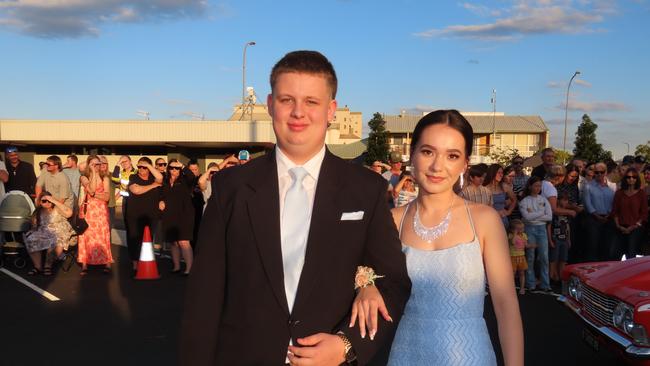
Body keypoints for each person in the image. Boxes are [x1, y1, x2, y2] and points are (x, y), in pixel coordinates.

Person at [180, 50, 411, 366]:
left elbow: (393, 281)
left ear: (330, 111)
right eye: (287, 100)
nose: (298, 113)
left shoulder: (366, 189)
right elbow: (204, 296)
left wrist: (347, 345)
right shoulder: (230, 187)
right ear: (270, 104)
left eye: (312, 102)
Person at [351, 110, 523, 366]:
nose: (437, 166)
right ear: (412, 155)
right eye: (428, 152)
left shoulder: (484, 220)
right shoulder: (391, 220)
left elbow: (506, 305)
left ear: (465, 163)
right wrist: (365, 284)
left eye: (452, 155)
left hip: (470, 356)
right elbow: (355, 263)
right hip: (406, 354)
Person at [24, 191, 75, 276]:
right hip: (44, 231)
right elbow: (34, 225)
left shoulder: (57, 208)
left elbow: (69, 213)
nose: (47, 203)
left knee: (54, 241)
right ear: (40, 202)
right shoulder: (38, 212)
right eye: (44, 201)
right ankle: (37, 266)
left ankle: (48, 266)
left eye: (49, 201)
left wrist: (54, 200)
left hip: (59, 231)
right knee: (31, 239)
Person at [126, 157, 163, 272]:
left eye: (144, 167)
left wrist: (149, 165)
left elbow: (160, 177)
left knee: (147, 240)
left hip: (151, 215)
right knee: (134, 239)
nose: (141, 169)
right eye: (139, 167)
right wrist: (153, 186)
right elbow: (136, 190)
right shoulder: (134, 177)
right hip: (134, 216)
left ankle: (146, 262)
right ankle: (135, 264)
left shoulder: (154, 178)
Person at [77, 155, 112, 275]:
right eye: (93, 164)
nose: (96, 166)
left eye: (98, 164)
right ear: (88, 165)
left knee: (103, 235)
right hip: (88, 210)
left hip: (101, 210)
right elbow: (91, 189)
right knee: (87, 236)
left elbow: (107, 197)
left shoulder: (105, 178)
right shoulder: (84, 177)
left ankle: (106, 261)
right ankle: (85, 263)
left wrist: (93, 194)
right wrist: (92, 173)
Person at [159, 159, 194, 275]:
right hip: (169, 214)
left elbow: (192, 177)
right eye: (171, 168)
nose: (174, 170)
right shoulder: (165, 180)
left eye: (176, 168)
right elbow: (161, 194)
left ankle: (189, 268)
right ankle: (177, 266)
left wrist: (182, 166)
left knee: (183, 241)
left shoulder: (184, 180)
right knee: (173, 242)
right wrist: (161, 201)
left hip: (184, 214)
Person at [519, 176, 553, 292]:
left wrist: (535, 214)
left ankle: (545, 283)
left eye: (540, 186)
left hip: (541, 228)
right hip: (530, 229)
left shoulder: (543, 200)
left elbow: (549, 216)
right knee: (530, 256)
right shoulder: (525, 201)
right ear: (530, 186)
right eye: (536, 186)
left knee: (544, 257)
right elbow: (527, 217)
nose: (538, 188)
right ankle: (530, 282)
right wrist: (541, 212)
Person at [611, 167, 648, 260]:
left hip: (635, 228)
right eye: (628, 177)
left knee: (631, 254)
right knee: (614, 253)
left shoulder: (641, 194)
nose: (631, 179)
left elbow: (644, 213)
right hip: (620, 227)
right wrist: (618, 226)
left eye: (634, 177)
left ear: (637, 179)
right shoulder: (619, 193)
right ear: (625, 178)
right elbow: (615, 211)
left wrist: (633, 227)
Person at [583, 162, 616, 261]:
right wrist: (597, 215)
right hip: (593, 219)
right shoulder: (588, 186)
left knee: (607, 246)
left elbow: (615, 202)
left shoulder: (613, 186)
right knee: (593, 245)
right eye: (597, 172)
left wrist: (609, 215)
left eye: (602, 172)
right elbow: (588, 204)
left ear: (606, 172)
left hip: (608, 219)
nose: (599, 175)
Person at [548, 192, 571, 283]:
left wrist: (569, 239)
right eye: (564, 200)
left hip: (564, 238)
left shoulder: (566, 213)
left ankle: (561, 276)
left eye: (567, 201)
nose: (565, 202)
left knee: (563, 258)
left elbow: (568, 226)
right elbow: (549, 226)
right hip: (555, 237)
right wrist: (550, 239)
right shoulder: (554, 212)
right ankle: (553, 275)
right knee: (554, 258)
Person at [483, 163, 516, 228]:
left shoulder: (504, 186)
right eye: (499, 173)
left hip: (503, 219)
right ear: (492, 173)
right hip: (490, 221)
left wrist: (509, 212)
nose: (501, 175)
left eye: (502, 173)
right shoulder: (485, 188)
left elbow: (514, 200)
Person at [508, 219, 533, 295]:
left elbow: (526, 245)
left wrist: (533, 245)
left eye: (522, 228)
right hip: (513, 257)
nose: (522, 230)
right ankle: (511, 288)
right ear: (514, 230)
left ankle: (522, 288)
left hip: (521, 256)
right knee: (513, 273)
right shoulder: (511, 235)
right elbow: (512, 242)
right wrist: (515, 233)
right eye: (520, 229)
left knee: (522, 273)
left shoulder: (524, 235)